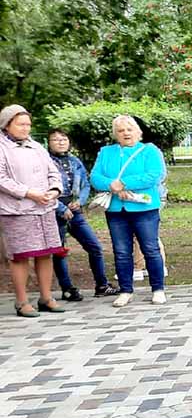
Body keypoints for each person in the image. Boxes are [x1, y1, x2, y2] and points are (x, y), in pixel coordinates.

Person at [90, 115, 168, 308]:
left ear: (138, 132)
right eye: (121, 130)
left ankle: (158, 289)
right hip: (117, 210)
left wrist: (124, 183)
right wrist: (111, 185)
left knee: (150, 249)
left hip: (144, 208)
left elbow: (153, 175)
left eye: (129, 129)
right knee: (121, 251)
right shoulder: (106, 152)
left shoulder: (149, 150)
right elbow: (95, 177)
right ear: (115, 134)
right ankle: (126, 290)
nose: (125, 133)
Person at [0, 105, 67, 317]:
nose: (25, 128)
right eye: (20, 124)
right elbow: (2, 180)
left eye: (28, 124)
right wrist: (29, 193)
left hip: (45, 208)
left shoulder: (36, 146)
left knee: (45, 253)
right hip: (17, 210)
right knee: (20, 256)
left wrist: (54, 190)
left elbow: (52, 171)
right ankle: (22, 301)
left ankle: (46, 298)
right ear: (7, 124)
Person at [45, 129, 118, 299]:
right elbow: (43, 189)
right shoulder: (45, 162)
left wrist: (81, 201)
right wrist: (62, 209)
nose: (60, 142)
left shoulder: (74, 161)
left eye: (64, 139)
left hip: (76, 209)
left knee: (95, 247)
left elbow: (85, 183)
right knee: (60, 251)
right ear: (48, 143)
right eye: (55, 139)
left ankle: (102, 284)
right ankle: (67, 288)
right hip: (54, 210)